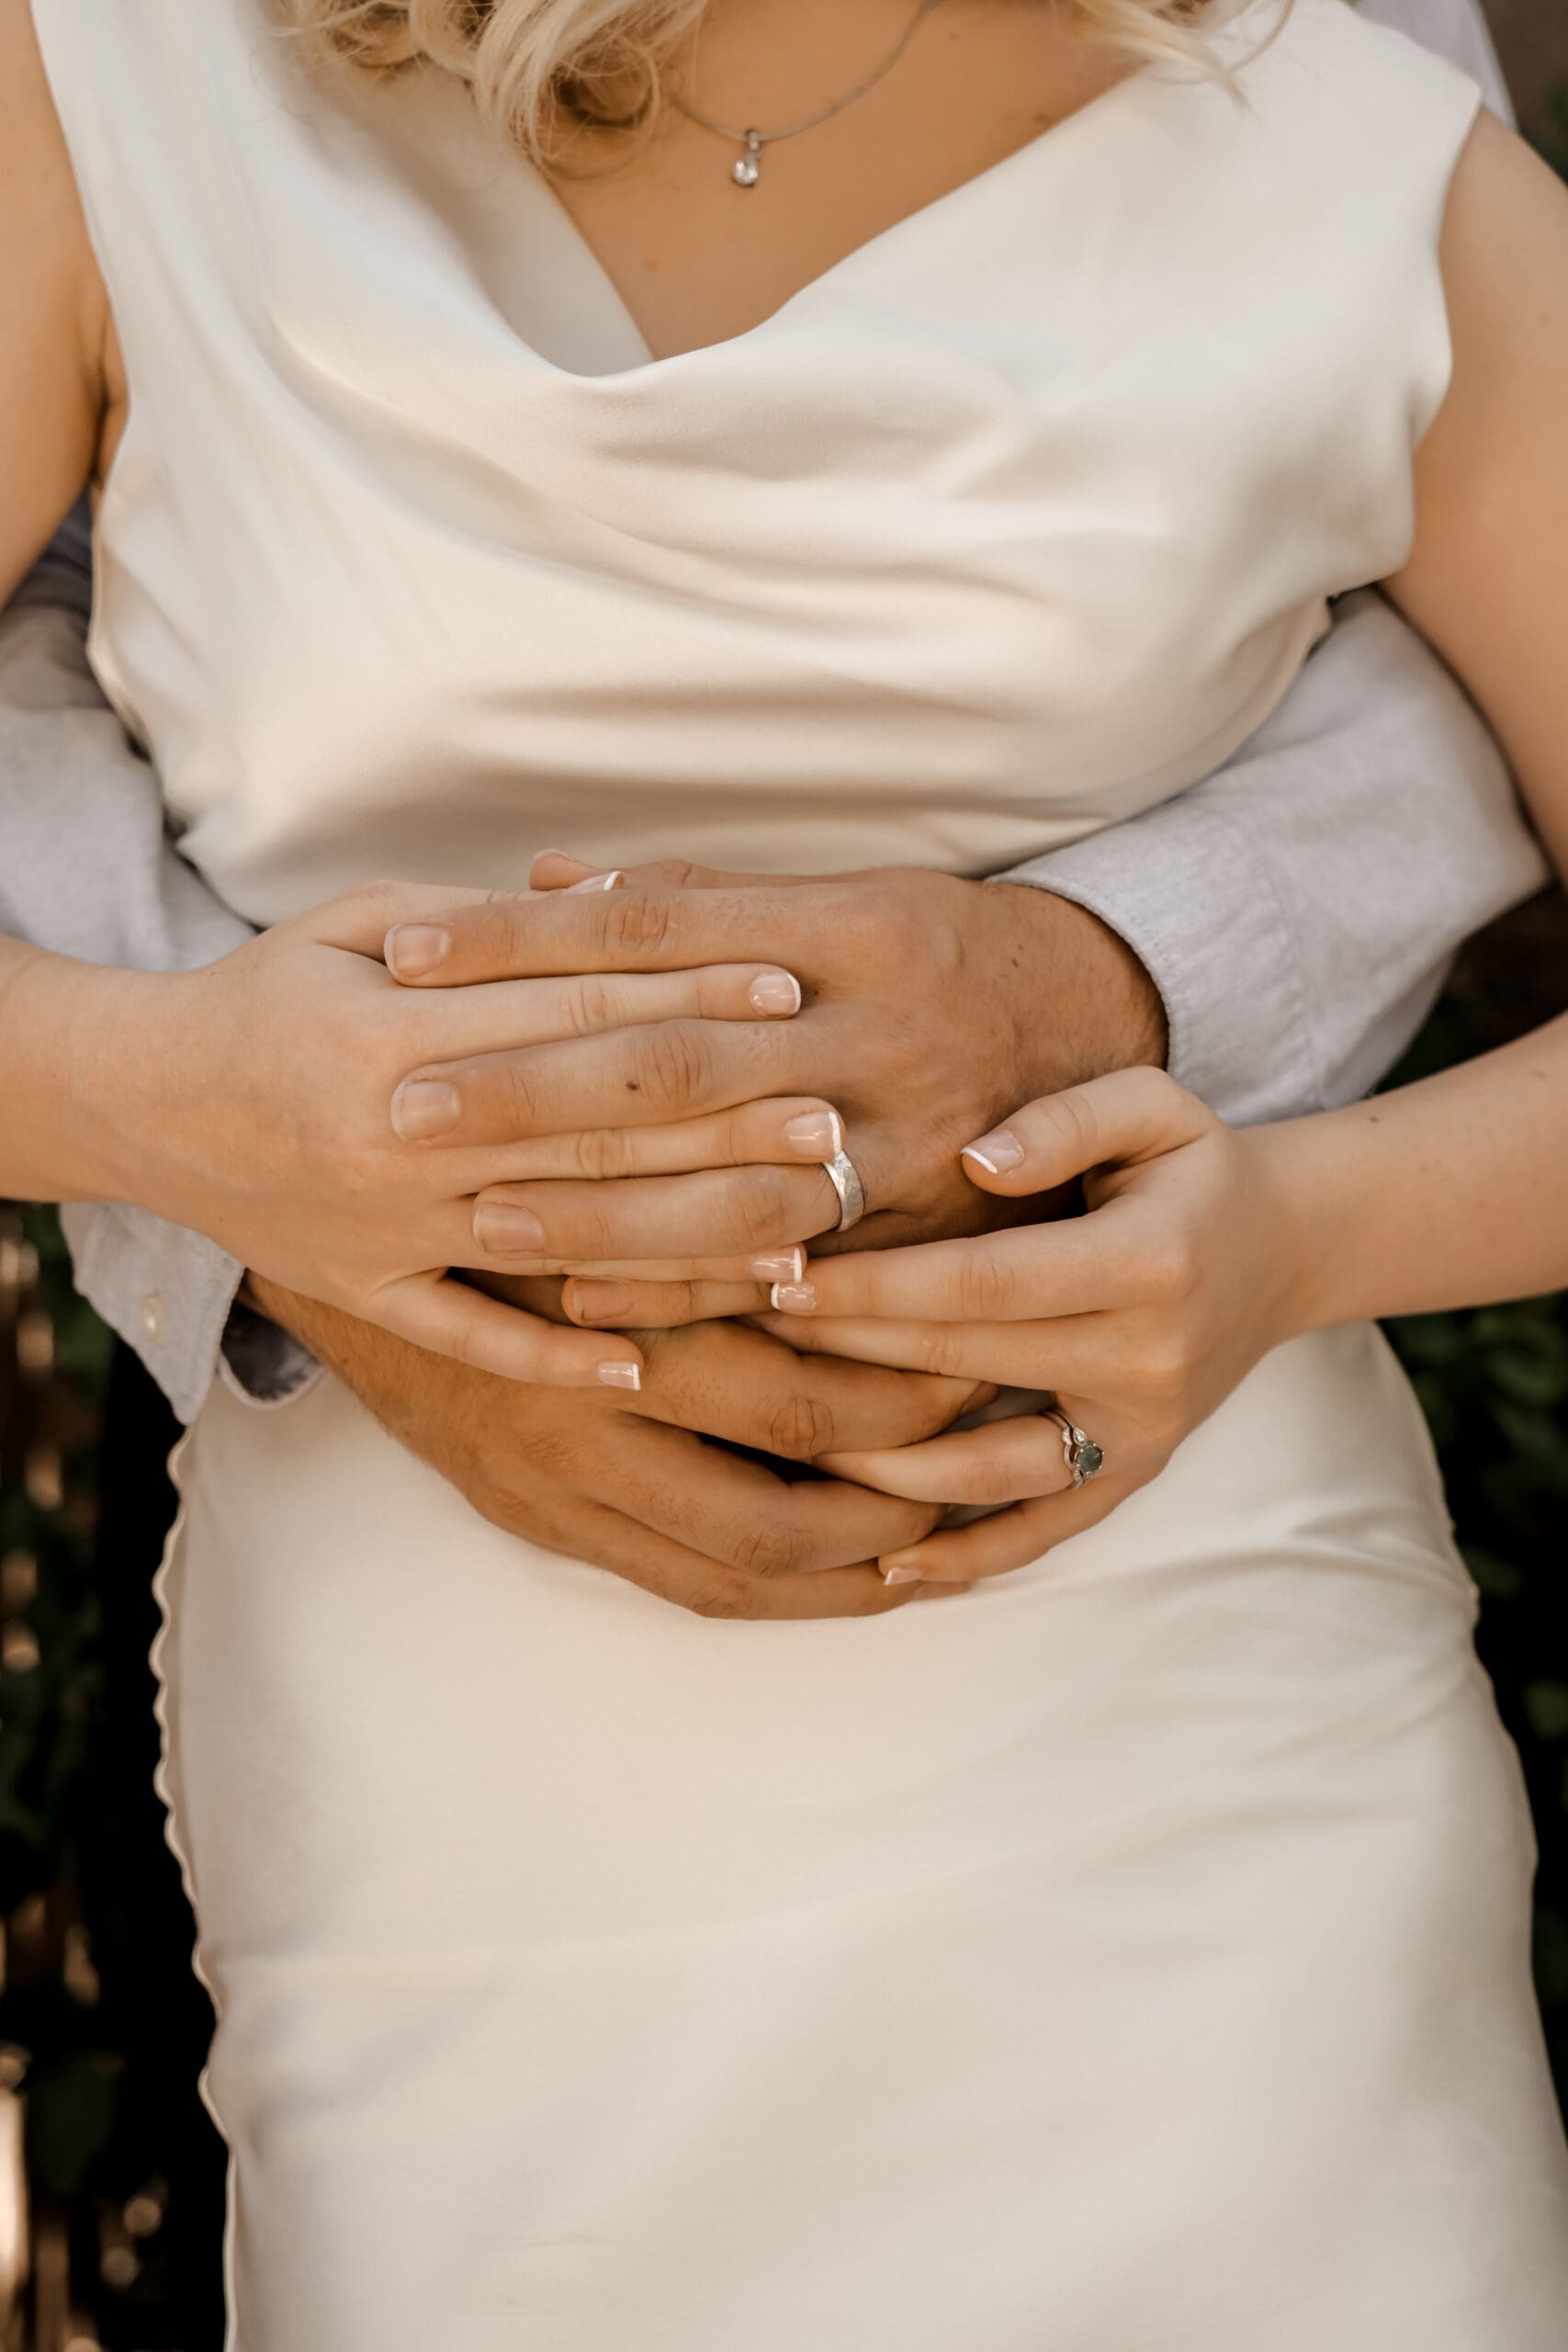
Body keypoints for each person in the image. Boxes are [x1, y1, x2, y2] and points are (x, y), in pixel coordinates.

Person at [3, 0, 1567, 2346]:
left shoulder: (1353, 156)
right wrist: (176, 1105)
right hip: (456, 1815)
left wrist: (1286, 1237)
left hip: (1200, 1768)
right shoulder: (120, 82)